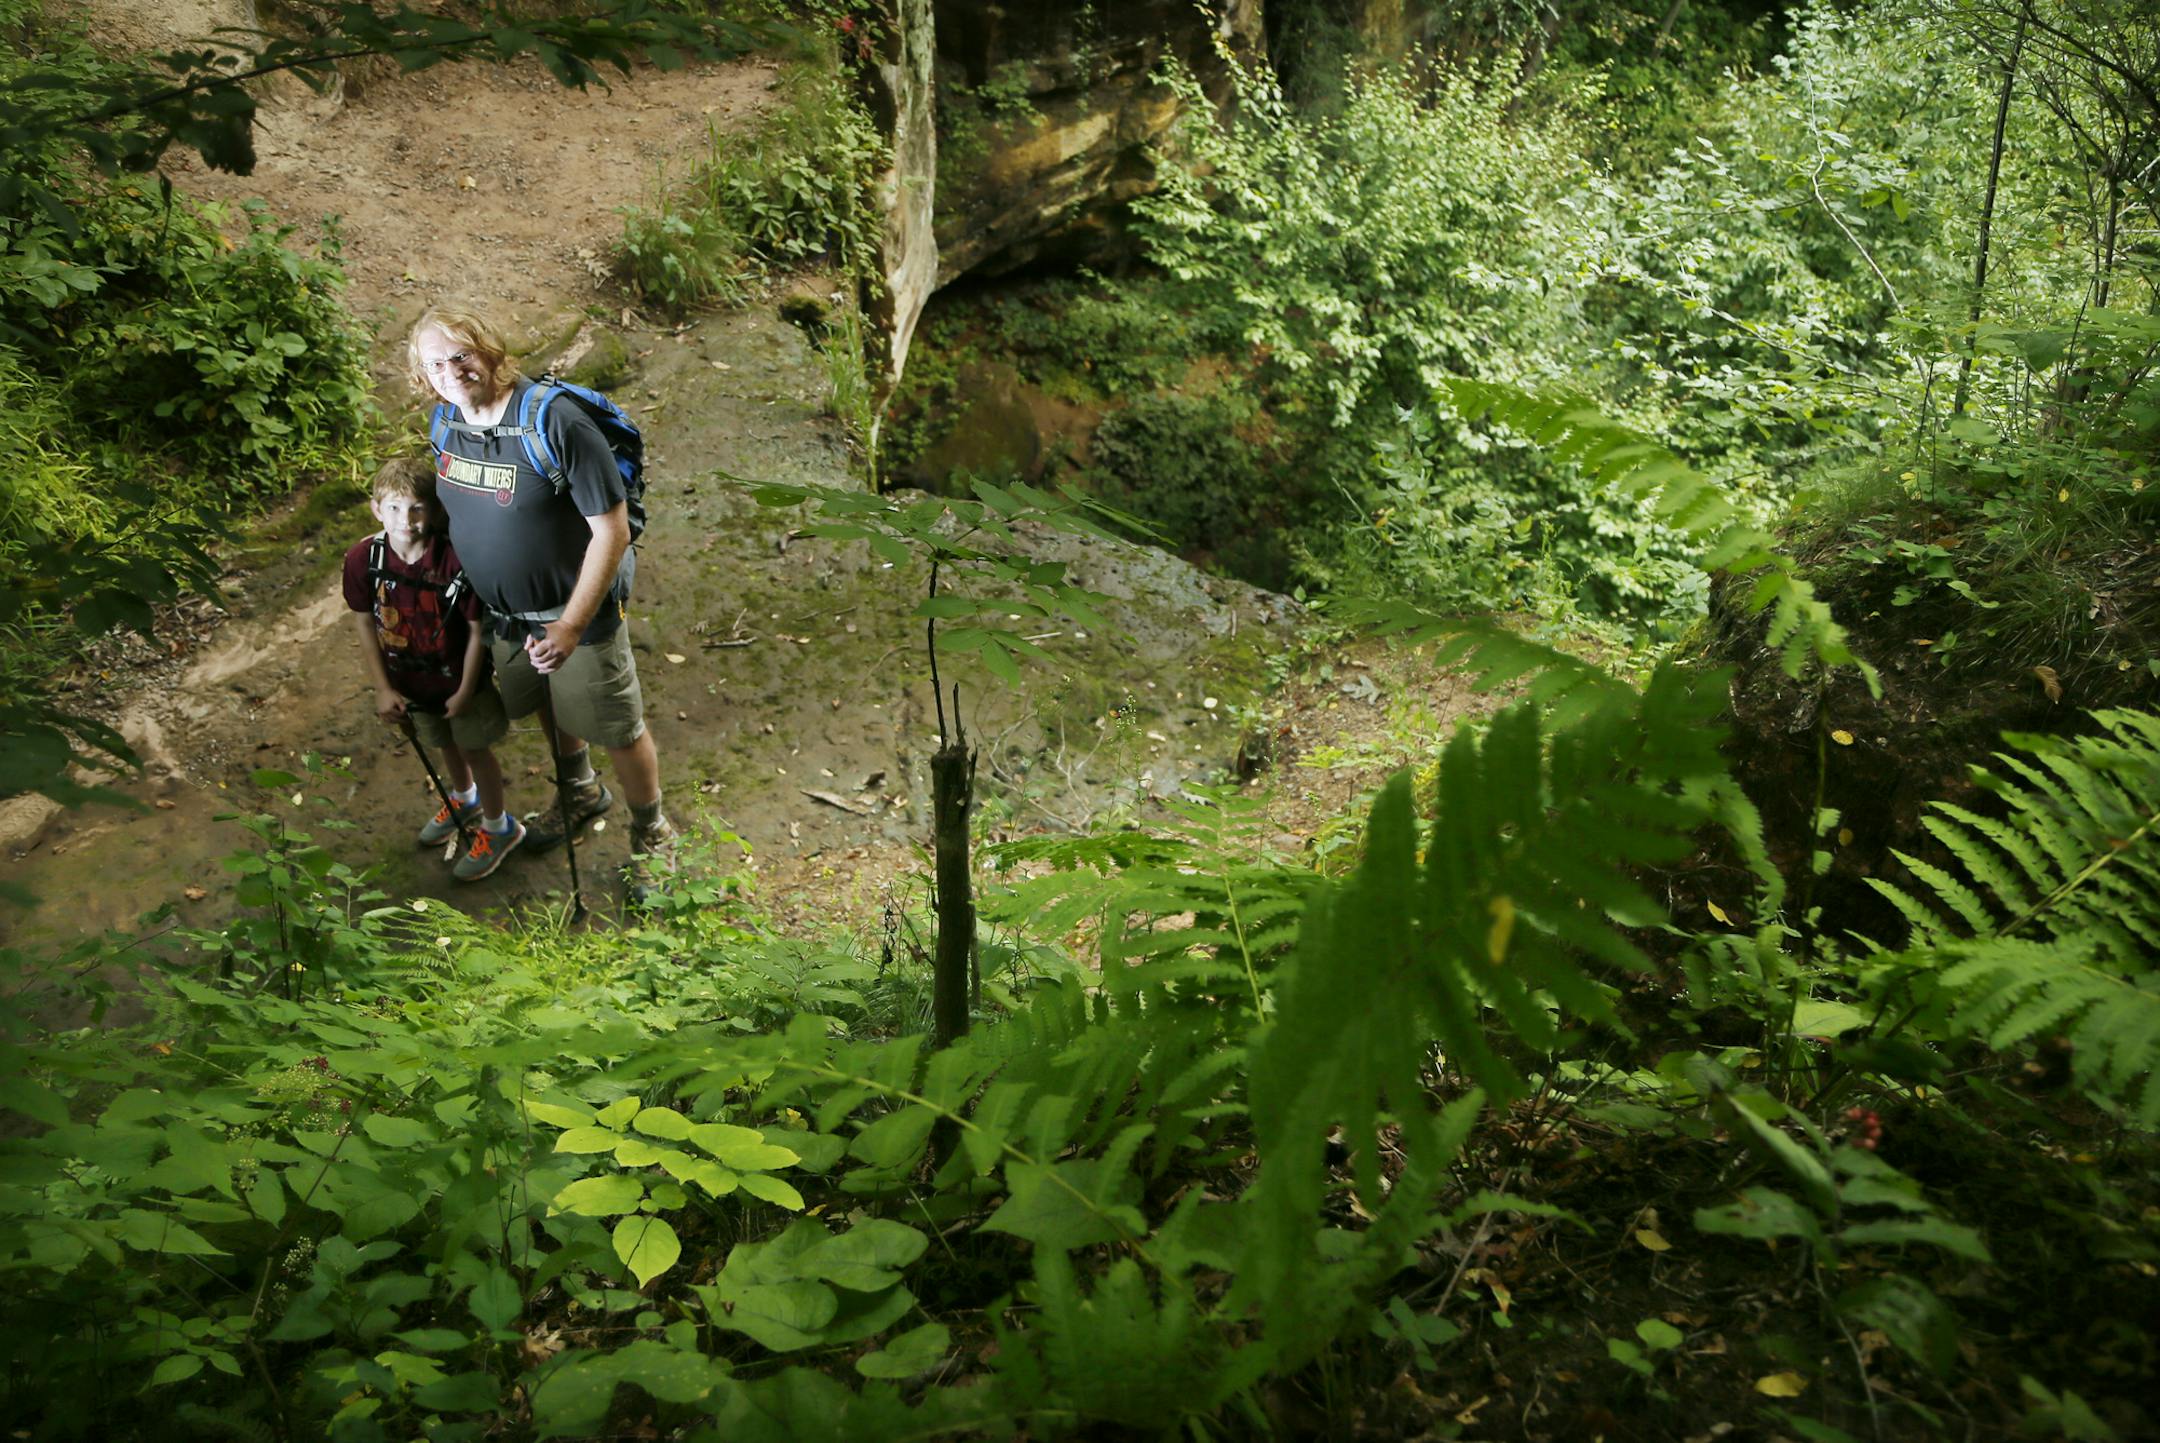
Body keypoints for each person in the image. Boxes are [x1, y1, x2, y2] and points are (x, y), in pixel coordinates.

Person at [406, 306, 676, 900]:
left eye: (463, 355)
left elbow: (612, 531)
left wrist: (572, 626)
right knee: (551, 705)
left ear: (492, 351)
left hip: (575, 613)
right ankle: (579, 792)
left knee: (618, 726)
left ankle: (652, 834)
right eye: (436, 363)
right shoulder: (445, 421)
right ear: (421, 374)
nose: (452, 371)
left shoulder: (555, 423)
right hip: (505, 617)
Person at [343, 457, 525, 881]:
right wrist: (382, 687)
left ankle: (500, 827)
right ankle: (464, 798)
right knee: (443, 741)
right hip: (411, 682)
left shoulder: (455, 561)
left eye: (416, 508)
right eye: (392, 508)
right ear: (375, 509)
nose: (404, 520)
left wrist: (465, 689)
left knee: (474, 746)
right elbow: (364, 621)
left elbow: (479, 630)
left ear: (435, 510)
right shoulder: (363, 561)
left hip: (461, 681)